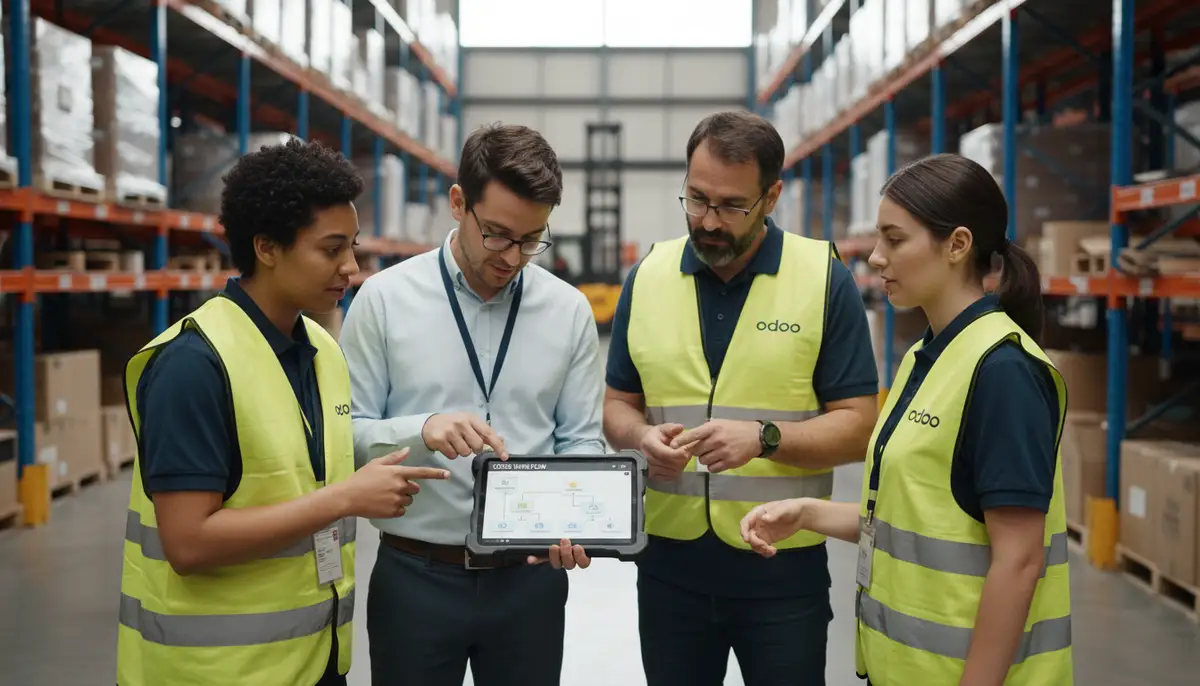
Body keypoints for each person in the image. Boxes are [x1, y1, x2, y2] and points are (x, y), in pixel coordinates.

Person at [116, 139, 450, 686]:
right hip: (214, 672)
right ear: (267, 247)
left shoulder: (321, 351)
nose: (351, 268)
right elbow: (188, 543)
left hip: (312, 660)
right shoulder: (193, 365)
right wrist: (346, 498)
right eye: (331, 249)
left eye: (354, 247)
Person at [740, 153, 1073, 685]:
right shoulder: (926, 356)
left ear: (957, 245)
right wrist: (805, 512)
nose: (874, 257)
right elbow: (913, 522)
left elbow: (1019, 561)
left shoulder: (1003, 371)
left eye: (894, 240)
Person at [603, 111, 880, 686]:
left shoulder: (823, 279)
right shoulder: (648, 276)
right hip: (668, 568)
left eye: (731, 206)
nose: (708, 221)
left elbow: (858, 427)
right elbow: (617, 407)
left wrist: (765, 438)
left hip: (781, 571)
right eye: (696, 198)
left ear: (772, 196)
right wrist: (640, 437)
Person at [338, 123, 605, 686]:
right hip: (416, 576)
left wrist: (574, 521)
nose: (514, 257)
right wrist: (422, 428)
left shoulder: (569, 310)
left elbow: (581, 438)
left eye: (532, 240)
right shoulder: (383, 300)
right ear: (459, 203)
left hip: (529, 583)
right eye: (498, 235)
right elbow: (347, 434)